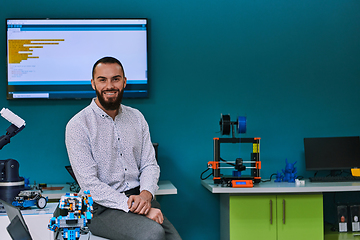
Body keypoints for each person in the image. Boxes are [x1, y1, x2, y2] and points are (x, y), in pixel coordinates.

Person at [65, 56, 181, 240]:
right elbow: (89, 185)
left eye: (115, 79)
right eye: (102, 80)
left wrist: (145, 196)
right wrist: (134, 206)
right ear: (93, 84)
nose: (109, 85)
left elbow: (150, 165)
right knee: (153, 234)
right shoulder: (78, 125)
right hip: (101, 208)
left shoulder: (137, 118)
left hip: (139, 199)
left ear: (124, 82)